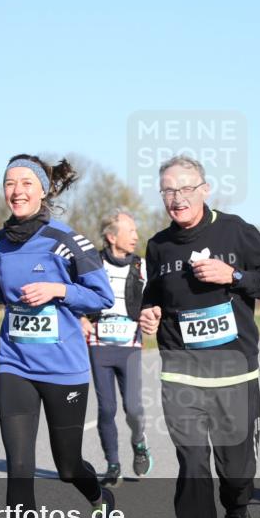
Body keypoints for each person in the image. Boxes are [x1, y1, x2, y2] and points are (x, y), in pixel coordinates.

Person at [0, 154, 117, 518]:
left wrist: (58, 291)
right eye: (8, 183)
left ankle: (101, 501)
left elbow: (103, 297)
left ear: (42, 190)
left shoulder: (65, 240)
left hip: (64, 370)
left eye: (24, 183)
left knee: (68, 465)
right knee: (19, 467)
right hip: (14, 362)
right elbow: (5, 288)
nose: (16, 190)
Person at [138, 155, 260, 518]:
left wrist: (234, 276)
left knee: (235, 473)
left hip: (235, 372)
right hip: (181, 372)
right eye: (167, 190)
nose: (176, 198)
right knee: (192, 471)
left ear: (204, 189)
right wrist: (147, 313)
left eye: (184, 188)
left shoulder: (237, 231)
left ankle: (238, 505)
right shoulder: (157, 246)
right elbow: (153, 298)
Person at [81, 209, 153, 488]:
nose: (136, 236)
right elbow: (74, 295)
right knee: (106, 408)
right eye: (130, 231)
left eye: (136, 231)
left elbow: (152, 299)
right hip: (99, 345)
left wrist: (152, 315)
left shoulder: (141, 266)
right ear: (112, 236)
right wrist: (80, 319)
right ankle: (112, 464)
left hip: (130, 345)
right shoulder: (92, 264)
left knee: (133, 408)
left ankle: (139, 442)